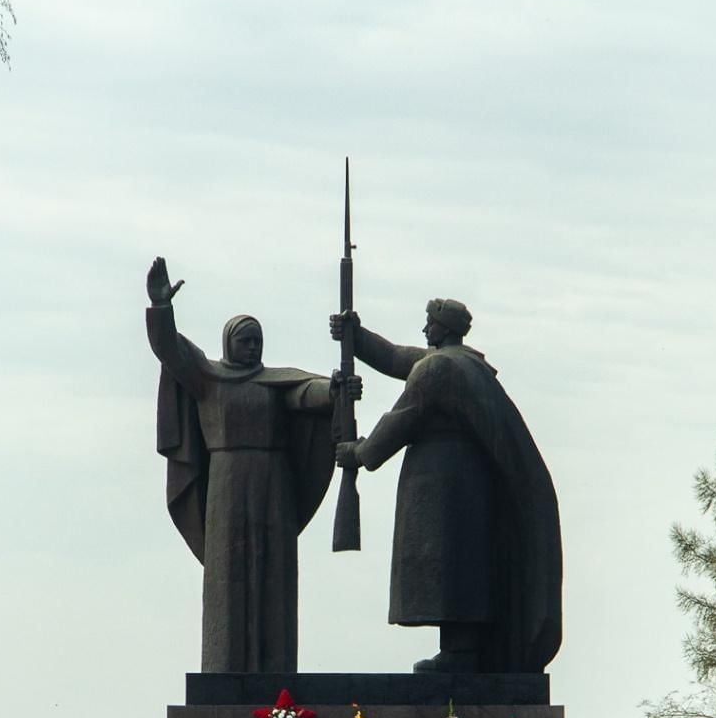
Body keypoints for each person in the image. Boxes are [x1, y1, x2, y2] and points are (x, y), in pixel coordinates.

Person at [331, 300, 561, 673]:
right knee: (458, 565)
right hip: (464, 481)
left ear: (442, 327)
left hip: (444, 484)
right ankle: (462, 651)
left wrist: (358, 453)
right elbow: (394, 357)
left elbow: (401, 419)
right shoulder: (465, 364)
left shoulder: (437, 369)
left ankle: (460, 654)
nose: (425, 331)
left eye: (429, 323)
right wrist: (356, 337)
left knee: (450, 568)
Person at [148, 256, 345, 673]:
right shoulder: (207, 378)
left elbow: (305, 394)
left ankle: (276, 669)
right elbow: (171, 350)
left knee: (274, 577)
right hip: (226, 486)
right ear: (228, 344)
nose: (253, 347)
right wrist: (161, 308)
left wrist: (336, 389)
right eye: (245, 340)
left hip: (274, 487)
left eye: (257, 340)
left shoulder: (275, 382)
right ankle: (222, 668)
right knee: (226, 578)